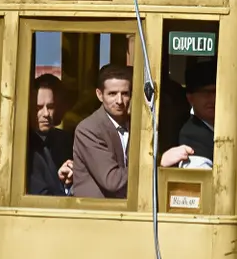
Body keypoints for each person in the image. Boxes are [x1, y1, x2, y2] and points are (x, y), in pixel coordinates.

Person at [72, 65, 193, 198]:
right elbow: (112, 181)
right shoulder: (89, 129)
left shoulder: (136, 124)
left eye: (124, 94)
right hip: (98, 213)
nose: (119, 101)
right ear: (99, 95)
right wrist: (158, 163)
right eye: (112, 94)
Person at [26, 74, 73, 196]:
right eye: (38, 108)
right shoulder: (23, 145)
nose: (46, 113)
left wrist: (68, 183)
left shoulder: (67, 140)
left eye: (50, 107)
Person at [176, 59, 217, 163]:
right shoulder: (192, 135)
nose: (213, 99)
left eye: (216, 92)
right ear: (190, 98)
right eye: (206, 93)